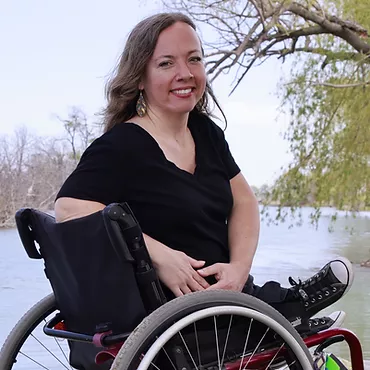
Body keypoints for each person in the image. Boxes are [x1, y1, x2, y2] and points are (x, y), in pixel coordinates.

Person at [55, 12, 352, 342]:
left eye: (194, 59)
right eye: (166, 63)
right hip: (175, 315)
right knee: (317, 333)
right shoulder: (120, 146)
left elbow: (244, 201)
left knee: (296, 317)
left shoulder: (205, 132)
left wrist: (239, 268)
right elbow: (69, 208)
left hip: (226, 296)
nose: (185, 74)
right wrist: (158, 256)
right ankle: (288, 308)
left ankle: (281, 303)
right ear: (140, 77)